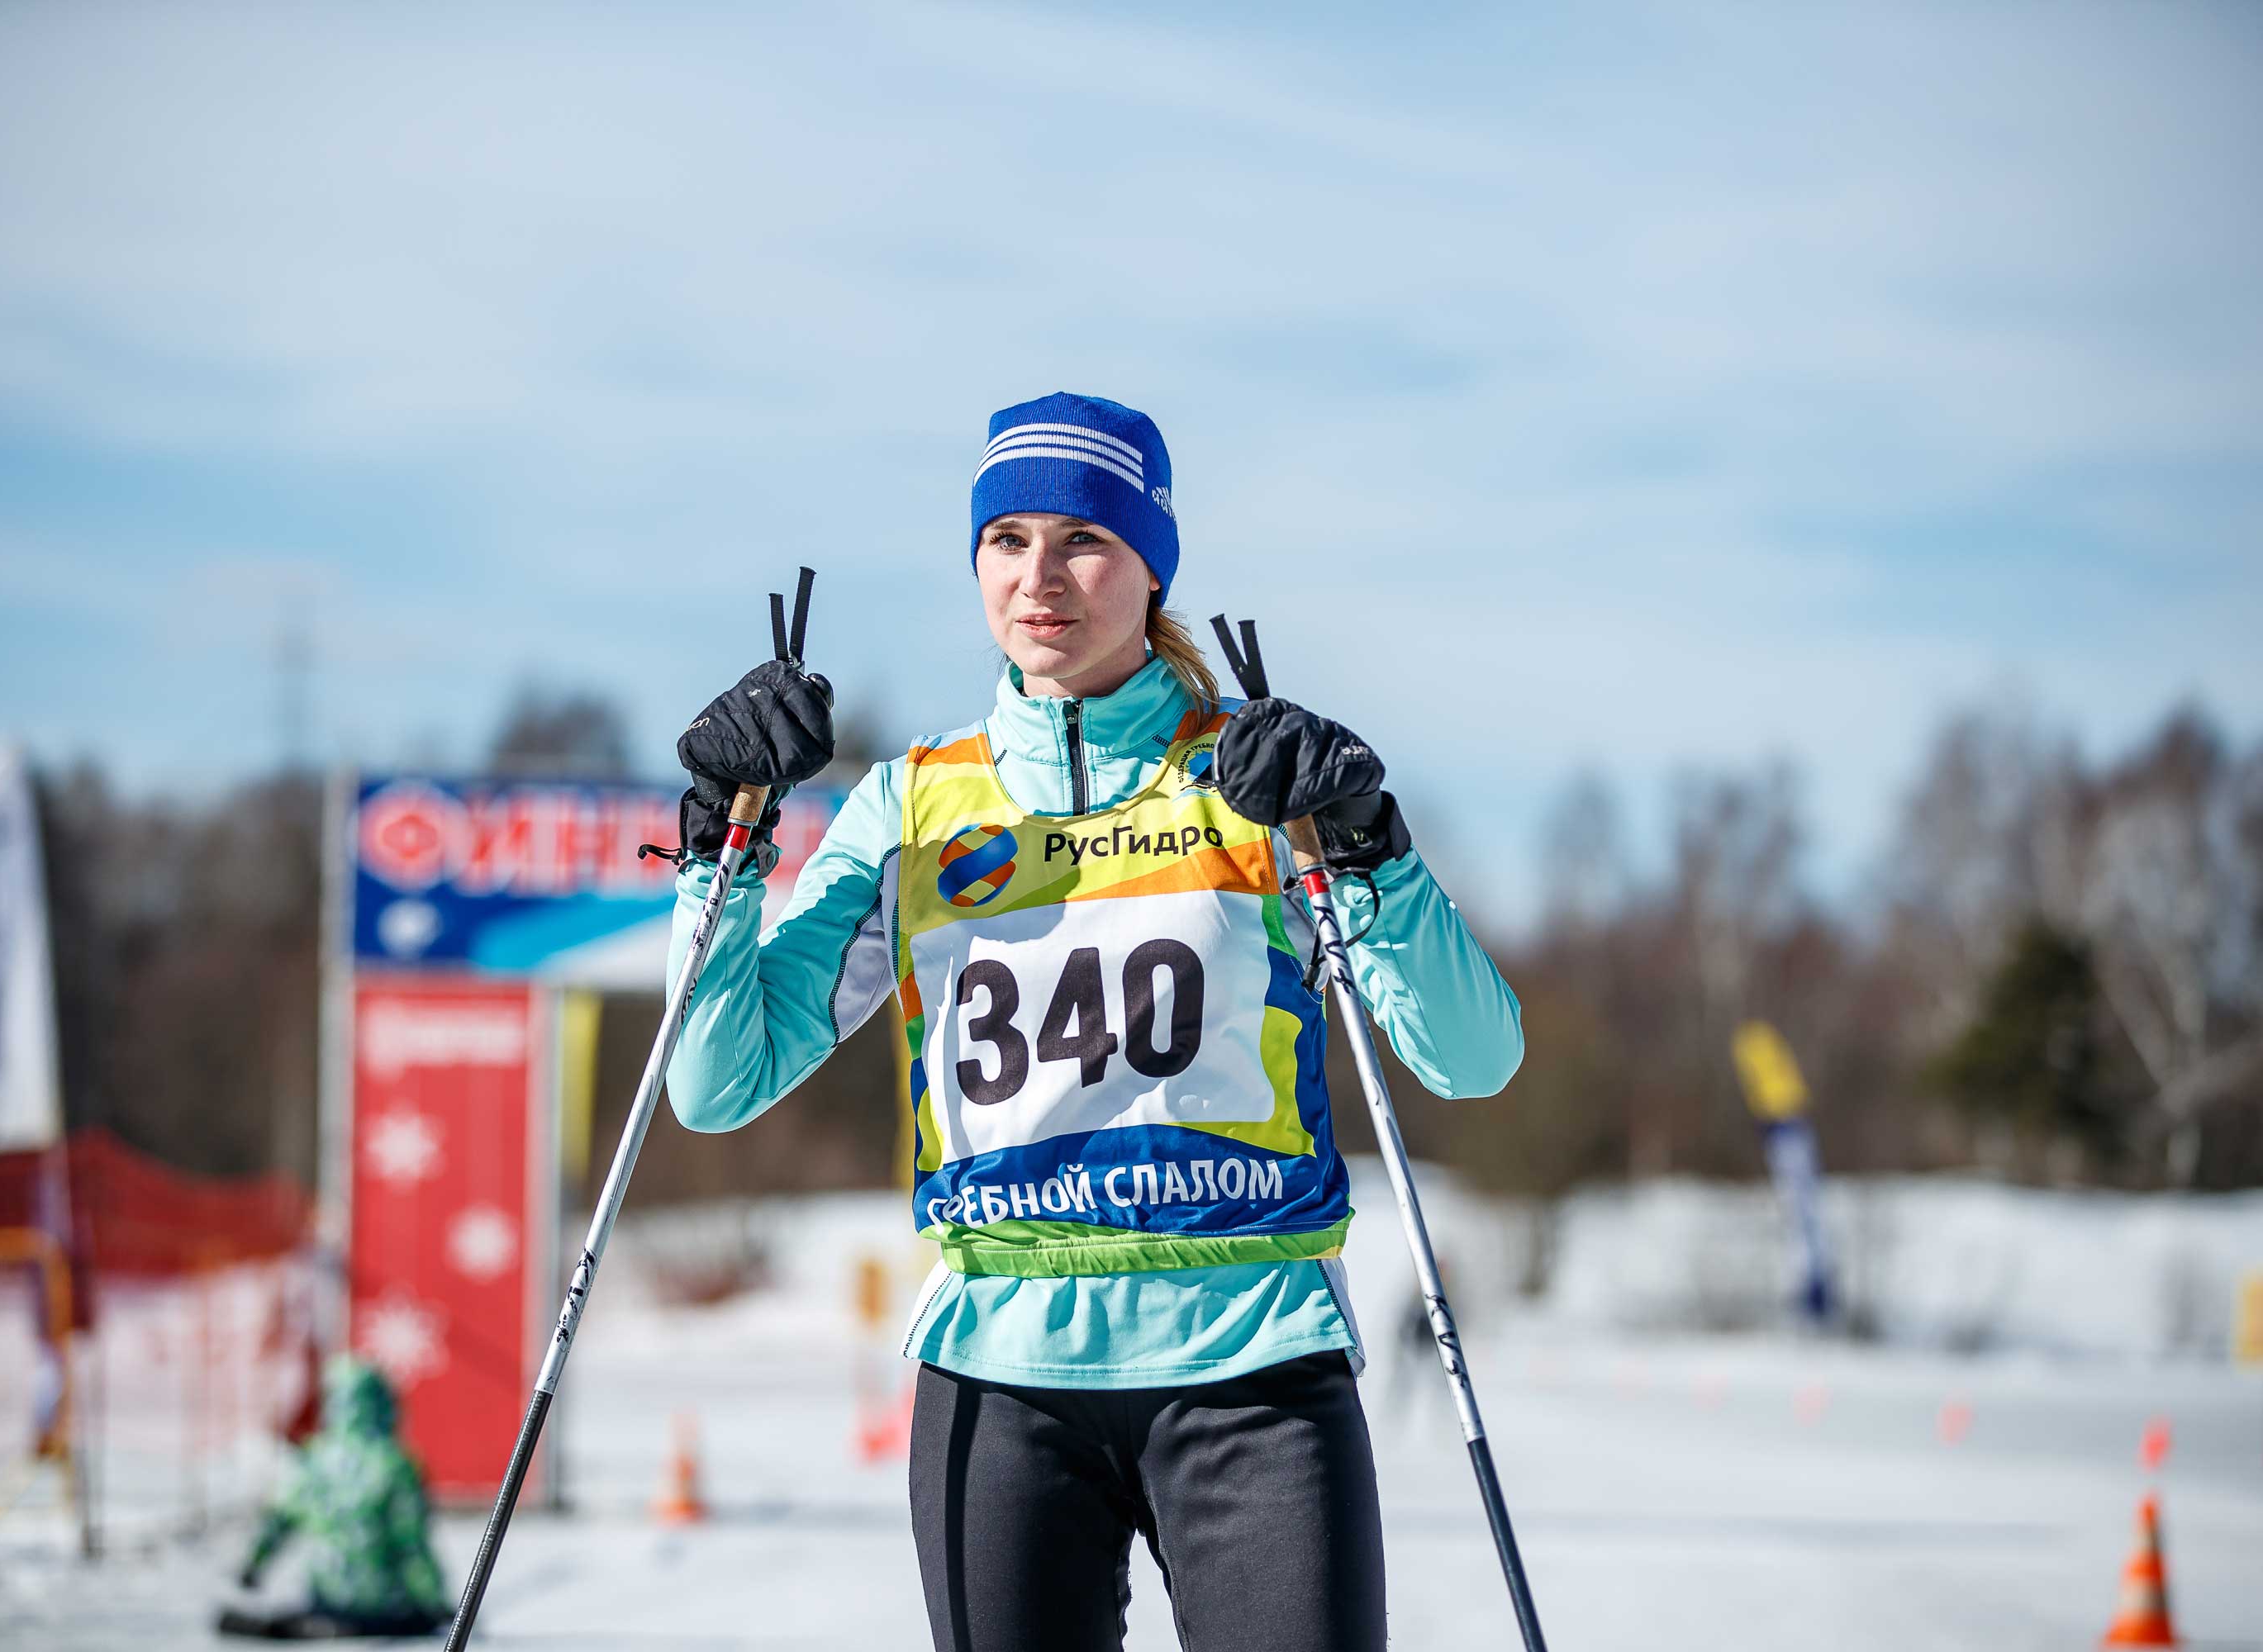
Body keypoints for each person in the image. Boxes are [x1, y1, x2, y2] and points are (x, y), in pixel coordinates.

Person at [663, 392, 1524, 1652]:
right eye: (1006, 540)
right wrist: (717, 839)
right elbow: (713, 1081)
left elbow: (1474, 1057)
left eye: (1085, 541)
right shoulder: (913, 806)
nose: (1041, 577)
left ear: (1152, 564)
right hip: (1001, 1377)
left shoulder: (1257, 783)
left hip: (1252, 1364)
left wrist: (1366, 842)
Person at [217, 1356, 450, 1641]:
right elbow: (412, 1545)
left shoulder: (313, 1462)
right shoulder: (395, 1465)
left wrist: (252, 1568)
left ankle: (302, 1625)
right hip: (386, 1608)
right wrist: (436, 1602)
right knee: (406, 1620)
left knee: (315, 1615)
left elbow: (277, 1523)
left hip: (326, 1601)